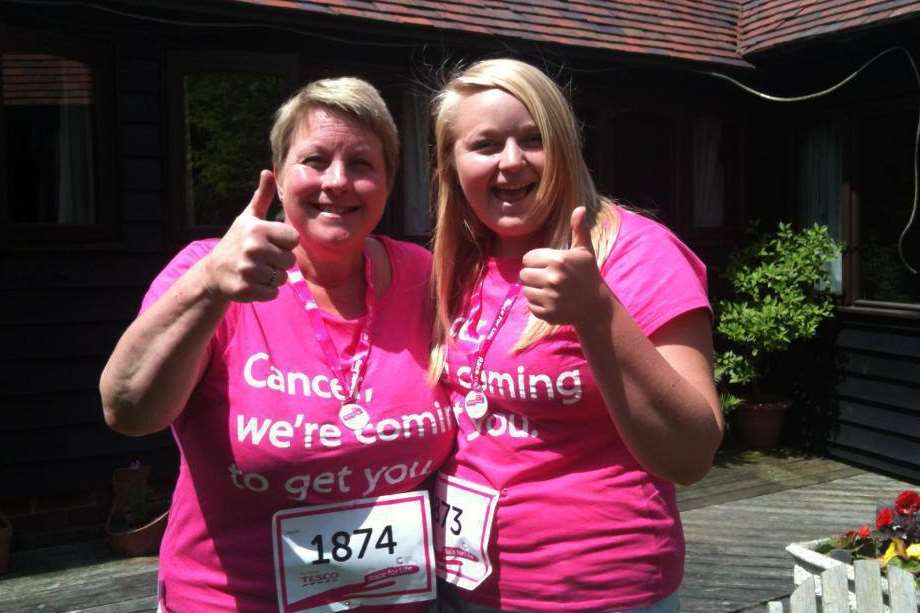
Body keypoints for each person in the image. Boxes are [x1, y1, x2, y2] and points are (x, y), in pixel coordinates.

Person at [100, 77, 454, 612]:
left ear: (387, 182)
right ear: (279, 177)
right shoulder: (212, 270)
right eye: (315, 159)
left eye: (362, 164)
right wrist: (208, 287)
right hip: (233, 599)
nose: (338, 182)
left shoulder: (423, 277)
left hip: (395, 600)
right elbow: (128, 410)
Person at [427, 59, 724, 612]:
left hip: (597, 591)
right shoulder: (460, 263)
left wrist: (596, 312)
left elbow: (692, 455)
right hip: (467, 584)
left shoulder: (639, 253)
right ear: (452, 163)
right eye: (485, 145)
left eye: (533, 139)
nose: (511, 162)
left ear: (565, 146)